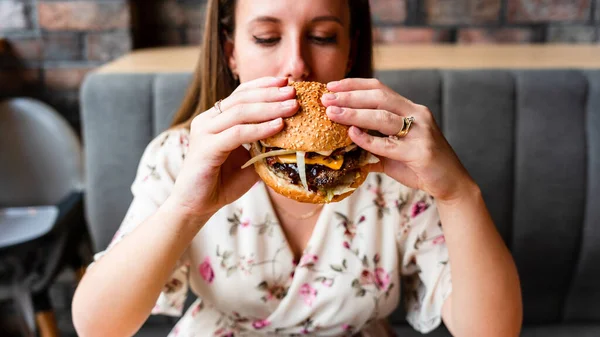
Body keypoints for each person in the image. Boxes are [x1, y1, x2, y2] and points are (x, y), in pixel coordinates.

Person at [72, 0, 523, 336]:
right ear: (231, 54)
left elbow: (492, 330)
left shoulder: (399, 163)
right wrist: (185, 208)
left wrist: (459, 193)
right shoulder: (181, 157)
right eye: (267, 38)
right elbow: (97, 326)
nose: (296, 67)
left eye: (324, 37)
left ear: (349, 51)